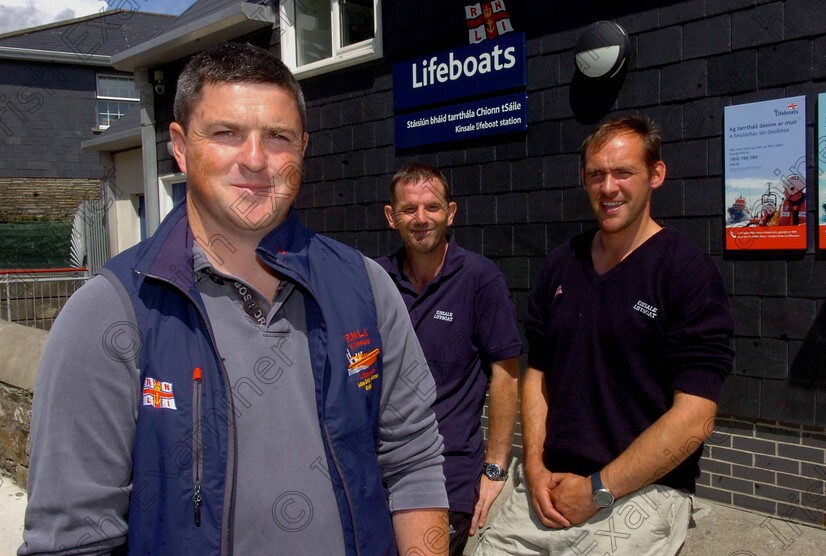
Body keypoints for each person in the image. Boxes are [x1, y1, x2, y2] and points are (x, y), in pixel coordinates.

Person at [20, 43, 449, 556]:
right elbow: (72, 539)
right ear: (179, 146)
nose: (254, 159)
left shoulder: (367, 288)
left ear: (303, 148)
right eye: (225, 133)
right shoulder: (110, 314)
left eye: (278, 137)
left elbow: (414, 462)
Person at [475, 116, 735, 555]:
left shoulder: (687, 273)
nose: (609, 187)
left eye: (623, 172)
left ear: (656, 174)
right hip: (549, 485)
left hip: (643, 493)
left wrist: (599, 488)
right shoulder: (562, 265)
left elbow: (696, 418)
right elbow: (537, 373)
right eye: (596, 174)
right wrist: (535, 466)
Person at [377, 163, 521, 555]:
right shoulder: (376, 280)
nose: (421, 219)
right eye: (409, 209)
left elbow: (506, 375)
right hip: (380, 471)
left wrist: (494, 468)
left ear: (450, 212)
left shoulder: (480, 278)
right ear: (392, 217)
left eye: (432, 207)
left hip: (448, 474)